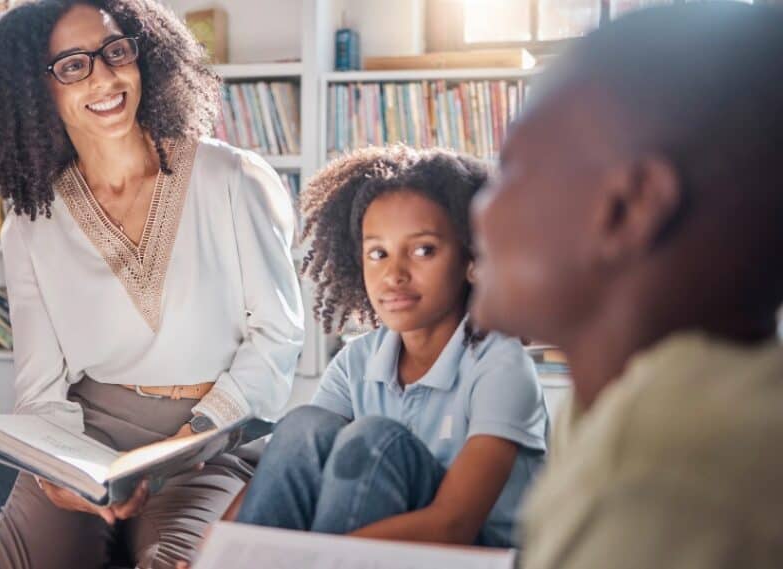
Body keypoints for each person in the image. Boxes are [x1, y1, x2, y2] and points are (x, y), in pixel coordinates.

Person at [0, 1, 304, 568]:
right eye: (73, 66)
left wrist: (194, 434)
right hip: (89, 432)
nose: (104, 77)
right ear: (35, 89)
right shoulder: (30, 223)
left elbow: (276, 336)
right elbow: (40, 382)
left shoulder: (233, 178)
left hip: (209, 436)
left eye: (115, 51)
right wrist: (58, 471)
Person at [469, 3, 783, 568]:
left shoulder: (661, 477)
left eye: (511, 169)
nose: (479, 211)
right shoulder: (611, 406)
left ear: (628, 208)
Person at [230, 145, 547, 547]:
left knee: (376, 441)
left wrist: (314, 558)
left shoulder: (500, 364)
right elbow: (288, 461)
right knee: (303, 426)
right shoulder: (357, 362)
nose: (394, 274)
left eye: (422, 250)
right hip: (363, 556)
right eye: (377, 253)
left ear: (472, 260)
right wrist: (213, 552)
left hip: (477, 557)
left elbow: (454, 524)